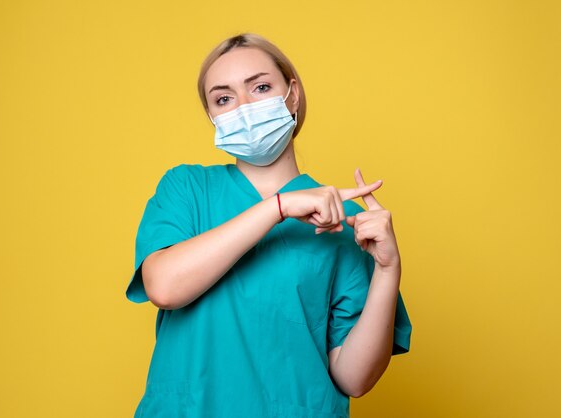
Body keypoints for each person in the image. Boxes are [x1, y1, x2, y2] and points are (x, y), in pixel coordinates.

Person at [125, 33, 412, 418]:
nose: (243, 107)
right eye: (224, 98)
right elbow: (163, 286)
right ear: (212, 116)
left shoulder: (340, 227)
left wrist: (387, 270)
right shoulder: (187, 189)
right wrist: (276, 208)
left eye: (260, 87)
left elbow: (354, 378)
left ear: (292, 94)